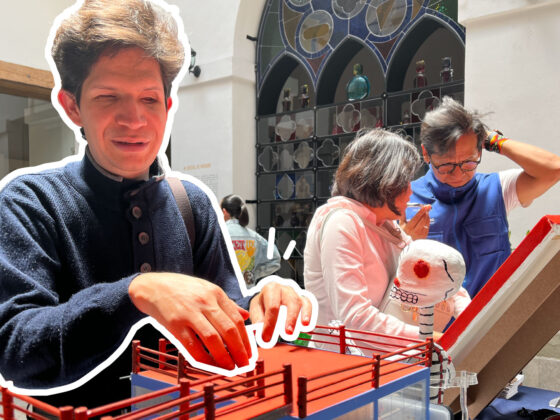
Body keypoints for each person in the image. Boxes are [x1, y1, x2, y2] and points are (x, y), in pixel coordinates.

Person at [0, 0, 313, 409]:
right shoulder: (31, 203)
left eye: (149, 99)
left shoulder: (191, 203)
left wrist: (262, 305)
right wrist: (134, 293)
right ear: (72, 105)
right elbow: (16, 350)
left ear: (167, 107)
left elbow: (225, 306)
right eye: (108, 97)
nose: (134, 119)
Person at [303, 129, 470, 354]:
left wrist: (470, 320)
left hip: (381, 362)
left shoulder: (386, 226)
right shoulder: (342, 221)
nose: (411, 191)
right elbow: (355, 318)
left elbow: (440, 273)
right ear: (383, 182)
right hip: (344, 366)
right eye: (405, 182)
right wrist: (430, 339)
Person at [404, 96, 560, 298]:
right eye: (447, 166)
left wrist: (493, 140)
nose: (459, 174)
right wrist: (405, 243)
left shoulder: (498, 189)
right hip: (435, 326)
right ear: (426, 154)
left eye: (469, 162)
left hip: (492, 319)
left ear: (479, 149)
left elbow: (553, 170)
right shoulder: (405, 199)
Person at [220, 194, 281, 287]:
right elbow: (275, 259)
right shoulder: (254, 237)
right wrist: (254, 274)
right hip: (247, 294)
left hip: (222, 292)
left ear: (224, 212)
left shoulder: (216, 234)